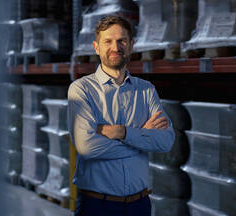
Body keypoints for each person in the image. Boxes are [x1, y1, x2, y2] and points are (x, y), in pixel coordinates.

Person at [68, 15, 175, 216]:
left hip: (140, 205)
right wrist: (141, 138)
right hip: (97, 206)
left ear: (131, 45)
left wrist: (122, 132)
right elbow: (86, 147)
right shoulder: (81, 90)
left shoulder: (146, 91)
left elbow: (166, 141)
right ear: (96, 47)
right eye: (107, 41)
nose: (115, 47)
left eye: (122, 41)